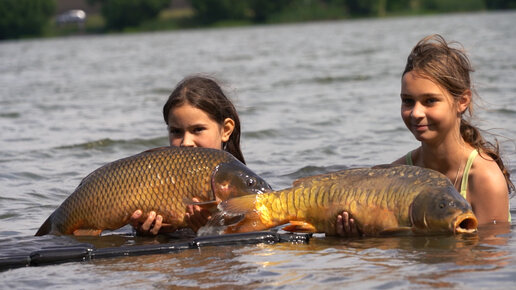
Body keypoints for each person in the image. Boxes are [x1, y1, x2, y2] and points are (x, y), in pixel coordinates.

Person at [337, 34, 514, 235]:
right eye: (408, 101)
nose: (416, 113)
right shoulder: (396, 173)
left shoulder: (484, 178)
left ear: (462, 101)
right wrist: (355, 238)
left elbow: (491, 262)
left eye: (430, 101)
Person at [129, 75, 249, 235]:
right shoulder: (154, 180)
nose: (186, 142)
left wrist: (211, 229)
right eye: (176, 131)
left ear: (226, 129)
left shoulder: (241, 184)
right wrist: (146, 232)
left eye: (198, 129)